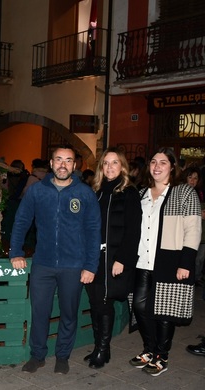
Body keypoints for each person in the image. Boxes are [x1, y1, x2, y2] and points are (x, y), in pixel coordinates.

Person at [10, 145, 100, 375]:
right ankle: (37, 355)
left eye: (68, 160)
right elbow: (21, 221)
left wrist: (90, 265)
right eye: (59, 160)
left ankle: (62, 356)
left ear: (75, 165)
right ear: (51, 164)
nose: (63, 164)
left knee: (69, 313)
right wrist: (16, 252)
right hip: (43, 263)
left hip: (73, 265)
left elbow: (93, 231)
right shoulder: (37, 191)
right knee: (40, 312)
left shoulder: (85, 194)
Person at [130, 148, 201, 376]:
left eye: (163, 162)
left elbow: (193, 230)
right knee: (140, 307)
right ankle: (149, 349)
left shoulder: (184, 193)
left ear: (172, 167)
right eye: (153, 162)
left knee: (163, 312)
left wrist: (186, 263)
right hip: (142, 261)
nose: (157, 166)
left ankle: (162, 355)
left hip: (169, 261)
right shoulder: (141, 193)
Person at [84, 148, 141, 369]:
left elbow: (133, 231)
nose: (109, 167)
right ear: (101, 167)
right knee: (95, 301)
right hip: (93, 256)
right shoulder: (95, 191)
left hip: (113, 257)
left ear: (122, 166)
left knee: (105, 302)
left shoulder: (129, 192)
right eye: (105, 163)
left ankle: (103, 349)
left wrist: (122, 259)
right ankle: (100, 347)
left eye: (114, 163)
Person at [183, 166, 205, 287]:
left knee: (199, 258)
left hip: (199, 231)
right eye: (190, 177)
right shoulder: (180, 191)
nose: (192, 180)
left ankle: (196, 277)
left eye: (195, 178)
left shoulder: (199, 193)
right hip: (185, 233)